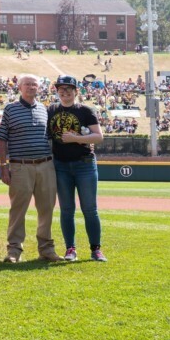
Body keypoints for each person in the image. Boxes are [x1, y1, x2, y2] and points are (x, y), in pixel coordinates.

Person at [0, 74, 62, 263]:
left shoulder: (44, 109)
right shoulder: (10, 109)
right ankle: (14, 250)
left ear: (39, 88)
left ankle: (46, 249)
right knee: (18, 210)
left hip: (45, 164)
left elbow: (52, 137)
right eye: (27, 84)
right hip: (20, 166)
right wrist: (3, 166)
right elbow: (2, 139)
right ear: (20, 88)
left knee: (46, 208)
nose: (31, 87)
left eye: (34, 84)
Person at [47, 75, 107, 262]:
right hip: (60, 165)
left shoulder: (85, 110)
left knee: (90, 209)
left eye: (69, 89)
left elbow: (98, 137)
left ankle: (96, 249)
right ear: (57, 91)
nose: (65, 92)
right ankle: (70, 249)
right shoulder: (51, 110)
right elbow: (48, 137)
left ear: (76, 91)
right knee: (66, 210)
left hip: (84, 164)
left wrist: (77, 139)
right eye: (61, 89)